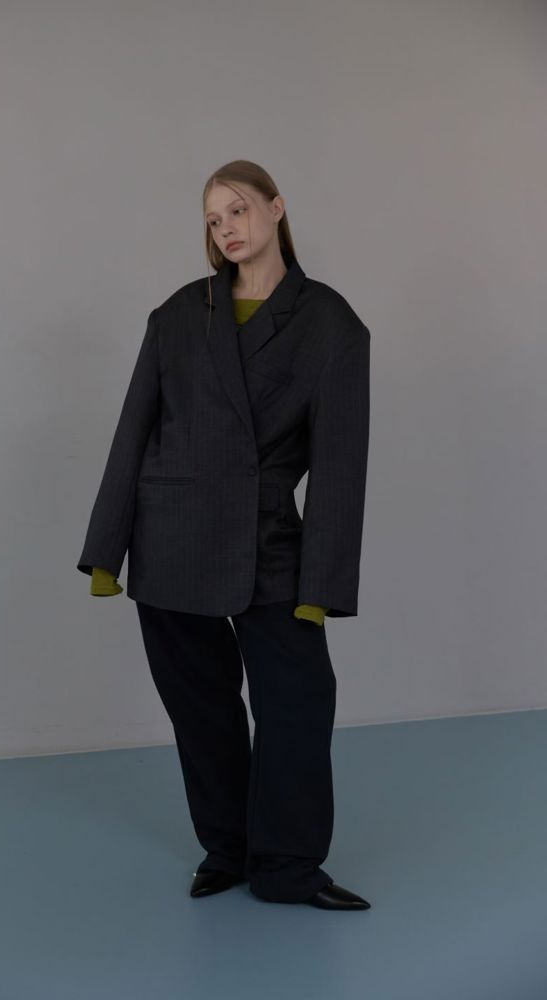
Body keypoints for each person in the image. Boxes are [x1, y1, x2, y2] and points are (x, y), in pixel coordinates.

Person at [77, 159, 371, 909]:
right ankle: (228, 848)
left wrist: (322, 584)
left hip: (265, 534)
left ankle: (288, 867)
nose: (226, 228)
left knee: (298, 701)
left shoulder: (330, 323)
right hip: (168, 534)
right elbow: (133, 432)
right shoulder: (180, 313)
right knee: (200, 705)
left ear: (276, 207)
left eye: (237, 209)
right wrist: (107, 549)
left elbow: (340, 464)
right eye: (213, 219)